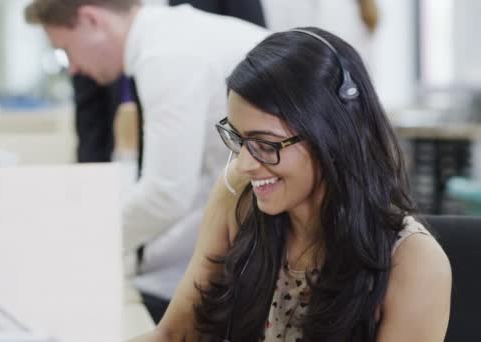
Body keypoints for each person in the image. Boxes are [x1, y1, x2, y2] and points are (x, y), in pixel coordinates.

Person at [132, 27, 451, 341]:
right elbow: (176, 332)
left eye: (266, 144)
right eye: (239, 139)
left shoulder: (414, 262)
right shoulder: (238, 196)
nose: (245, 164)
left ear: (333, 137)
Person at [24, 0, 269, 323]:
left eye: (66, 49)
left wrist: (77, 244)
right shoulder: (171, 35)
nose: (72, 68)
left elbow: (166, 195)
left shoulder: (165, 56)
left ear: (91, 20)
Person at [72, 0, 266, 163]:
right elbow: (89, 103)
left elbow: (261, 57)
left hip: (235, 134)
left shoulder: (167, 51)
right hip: (130, 137)